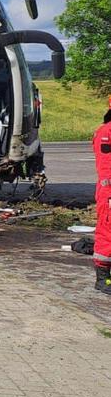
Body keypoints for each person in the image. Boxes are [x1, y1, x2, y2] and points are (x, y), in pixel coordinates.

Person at [92, 96, 111, 295]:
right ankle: (103, 279)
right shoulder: (106, 133)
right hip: (109, 194)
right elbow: (106, 168)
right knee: (107, 232)